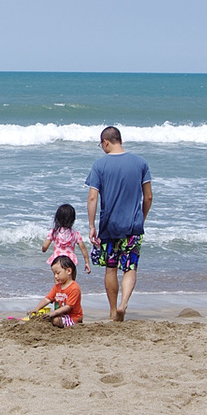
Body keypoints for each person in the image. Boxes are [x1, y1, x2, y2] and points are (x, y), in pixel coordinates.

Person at [86, 127, 152, 322]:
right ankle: (124, 304)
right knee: (130, 267)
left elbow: (92, 198)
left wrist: (91, 226)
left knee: (111, 268)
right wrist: (142, 218)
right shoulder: (141, 163)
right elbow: (148, 196)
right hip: (132, 225)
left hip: (109, 226)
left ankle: (114, 310)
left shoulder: (99, 165)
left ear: (106, 142)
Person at [29, 256, 83, 328]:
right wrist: (37, 308)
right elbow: (47, 299)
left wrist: (53, 313)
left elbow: (68, 307)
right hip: (61, 315)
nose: (55, 276)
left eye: (58, 273)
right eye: (54, 274)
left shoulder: (74, 288)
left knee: (55, 320)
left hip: (73, 317)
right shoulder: (57, 287)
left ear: (69, 271)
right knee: (46, 318)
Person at [41, 203, 91, 275]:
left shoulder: (54, 232)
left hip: (57, 260)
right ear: (73, 219)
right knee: (71, 284)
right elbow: (83, 249)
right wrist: (87, 263)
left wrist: (43, 249)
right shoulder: (75, 233)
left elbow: (45, 247)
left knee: (58, 284)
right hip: (71, 261)